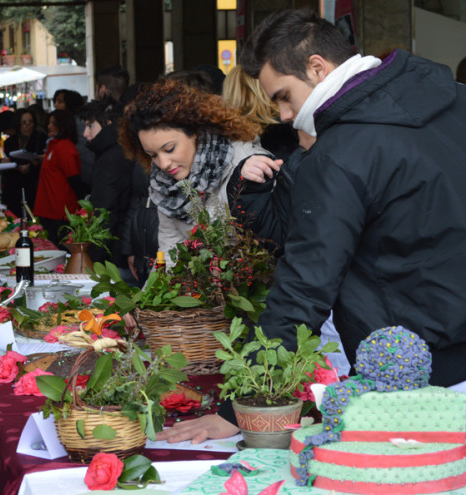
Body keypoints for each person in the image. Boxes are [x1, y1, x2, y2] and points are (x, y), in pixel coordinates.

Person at [157, 8, 466, 444]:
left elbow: (304, 284)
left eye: (284, 96)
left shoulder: (340, 153)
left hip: (411, 375)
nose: (283, 114)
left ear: (317, 67)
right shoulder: (455, 97)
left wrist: (240, 406)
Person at [119, 77, 282, 261]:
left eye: (169, 149)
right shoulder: (162, 184)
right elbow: (171, 250)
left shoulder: (245, 164)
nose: (163, 164)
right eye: (152, 155)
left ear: (196, 132)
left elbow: (272, 244)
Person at [80, 99, 148, 283]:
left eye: (90, 126)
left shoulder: (109, 159)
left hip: (115, 256)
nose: (86, 133)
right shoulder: (122, 150)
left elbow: (105, 212)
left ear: (108, 124)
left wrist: (95, 260)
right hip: (129, 248)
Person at [33, 109, 84, 246]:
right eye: (48, 123)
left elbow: (74, 179)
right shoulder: (54, 145)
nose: (49, 126)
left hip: (60, 214)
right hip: (50, 211)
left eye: (53, 123)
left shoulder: (64, 148)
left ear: (63, 125)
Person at [2, 108, 47, 218]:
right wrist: (7, 164)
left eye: (30, 122)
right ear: (18, 124)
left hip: (33, 185)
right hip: (14, 186)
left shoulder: (41, 138)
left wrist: (32, 166)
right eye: (23, 123)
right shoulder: (9, 141)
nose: (27, 126)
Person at [53, 89, 94, 192]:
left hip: (84, 172)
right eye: (55, 101)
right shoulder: (71, 122)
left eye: (60, 102)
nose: (55, 105)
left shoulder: (77, 122)